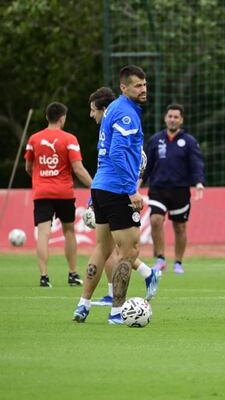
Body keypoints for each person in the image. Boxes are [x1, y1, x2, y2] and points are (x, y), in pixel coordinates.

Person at [73, 66, 152, 325]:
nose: (143, 89)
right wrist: (131, 190)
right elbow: (117, 152)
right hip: (118, 189)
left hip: (101, 185)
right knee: (129, 250)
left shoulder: (114, 109)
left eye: (144, 84)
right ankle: (118, 312)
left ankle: (83, 304)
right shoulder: (127, 114)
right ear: (124, 87)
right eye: (137, 86)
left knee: (103, 247)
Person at [81, 87, 160, 307]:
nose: (92, 115)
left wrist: (132, 191)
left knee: (117, 249)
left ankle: (107, 300)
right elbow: (104, 165)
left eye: (93, 110)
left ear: (104, 109)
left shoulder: (122, 124)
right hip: (107, 191)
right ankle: (140, 278)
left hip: (119, 192)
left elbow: (129, 166)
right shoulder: (109, 130)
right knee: (112, 249)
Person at [24, 102, 93, 287]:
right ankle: (72, 274)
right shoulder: (69, 139)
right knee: (69, 231)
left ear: (47, 117)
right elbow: (78, 169)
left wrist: (40, 178)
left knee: (43, 234)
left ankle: (44, 277)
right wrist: (94, 186)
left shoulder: (34, 139)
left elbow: (28, 167)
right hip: (64, 193)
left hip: (42, 193)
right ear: (62, 118)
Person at [141, 103, 205, 274]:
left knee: (180, 227)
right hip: (158, 189)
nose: (172, 119)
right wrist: (139, 182)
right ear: (165, 118)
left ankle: (178, 262)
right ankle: (160, 259)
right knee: (155, 220)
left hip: (180, 190)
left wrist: (199, 182)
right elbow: (146, 165)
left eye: (176, 117)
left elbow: (196, 164)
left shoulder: (189, 141)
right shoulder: (155, 140)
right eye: (170, 116)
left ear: (181, 120)